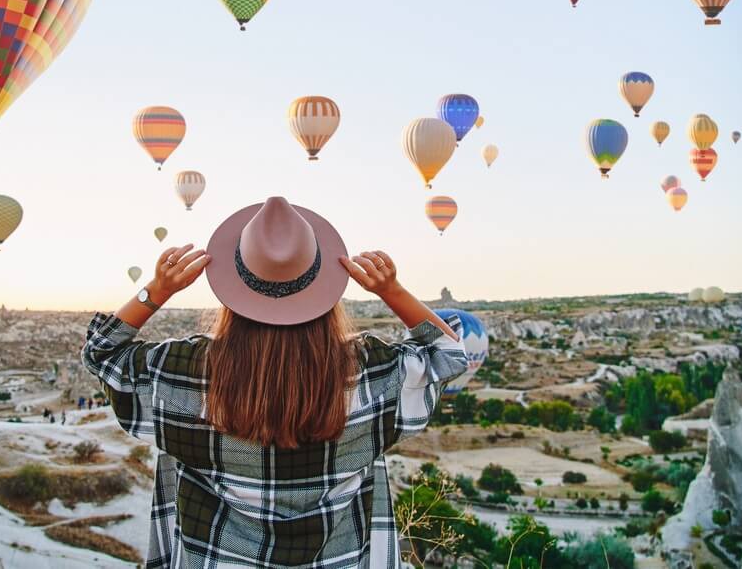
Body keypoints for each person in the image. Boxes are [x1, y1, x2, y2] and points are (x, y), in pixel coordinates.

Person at [81, 197, 467, 568]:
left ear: (233, 291)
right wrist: (391, 290)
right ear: (325, 289)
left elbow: (101, 354)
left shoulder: (184, 372)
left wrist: (158, 290)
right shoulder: (367, 372)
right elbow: (449, 356)